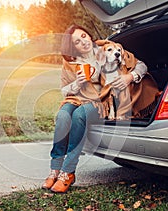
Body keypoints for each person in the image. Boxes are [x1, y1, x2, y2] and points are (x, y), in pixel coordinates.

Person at [42, 24, 158, 193]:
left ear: (89, 35)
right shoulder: (70, 63)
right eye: (76, 42)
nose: (82, 42)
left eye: (83, 36)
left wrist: (129, 77)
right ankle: (55, 169)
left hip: (101, 100)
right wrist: (78, 83)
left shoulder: (107, 49)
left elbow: (141, 65)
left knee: (79, 116)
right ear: (72, 47)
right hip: (76, 97)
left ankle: (68, 172)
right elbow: (64, 91)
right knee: (62, 117)